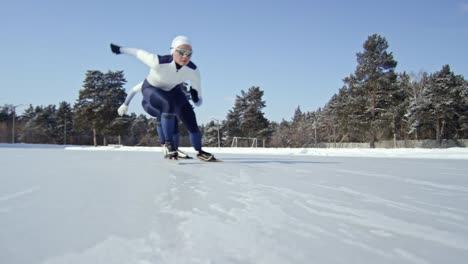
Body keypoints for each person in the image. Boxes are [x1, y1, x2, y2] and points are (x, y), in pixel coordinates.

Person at [110, 35, 216, 161]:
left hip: (173, 91)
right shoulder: (158, 61)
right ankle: (168, 144)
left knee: (189, 114)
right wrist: (120, 49)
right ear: (173, 51)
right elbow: (138, 53)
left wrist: (197, 99)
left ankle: (199, 150)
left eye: (189, 53)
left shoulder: (193, 70)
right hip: (151, 90)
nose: (185, 56)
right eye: (181, 52)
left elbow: (197, 89)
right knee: (167, 105)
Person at [117, 81, 192, 159]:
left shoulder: (173, 82)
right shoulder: (153, 80)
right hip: (148, 104)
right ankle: (164, 145)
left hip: (164, 104)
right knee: (161, 112)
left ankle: (175, 148)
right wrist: (125, 104)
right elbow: (133, 90)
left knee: (173, 120)